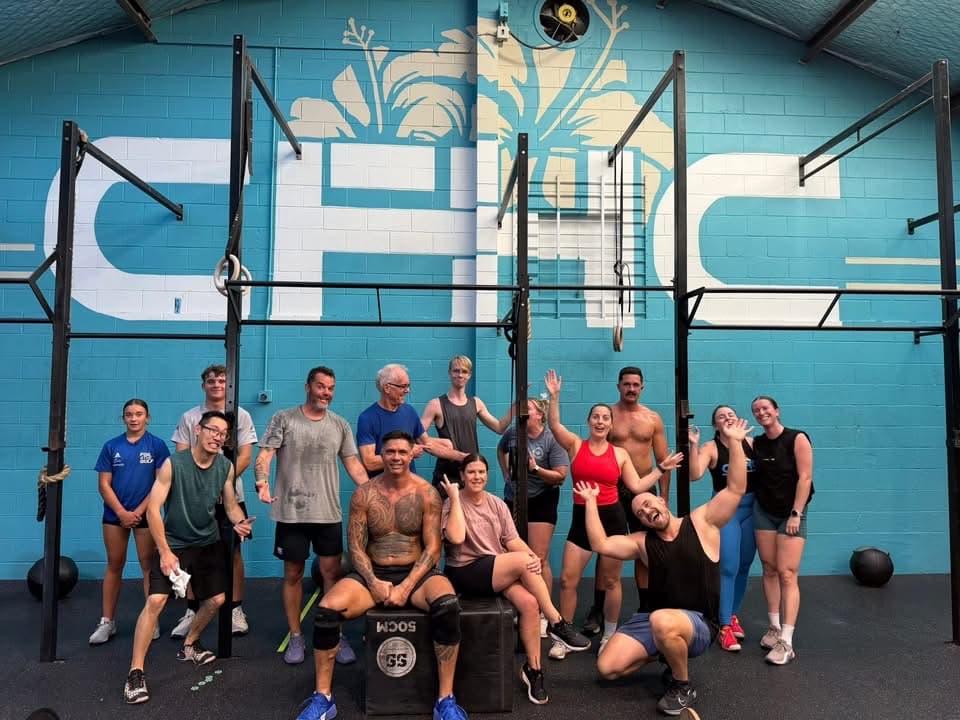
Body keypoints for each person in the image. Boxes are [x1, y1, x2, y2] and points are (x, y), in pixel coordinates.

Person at [579, 418, 751, 716]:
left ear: (662, 500)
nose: (646, 511)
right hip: (655, 620)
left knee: (662, 621)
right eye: (641, 512)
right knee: (607, 667)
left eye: (648, 503)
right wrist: (591, 502)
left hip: (697, 623)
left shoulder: (701, 523)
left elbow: (735, 489)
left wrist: (734, 443)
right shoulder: (642, 542)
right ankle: (667, 651)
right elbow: (601, 545)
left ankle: (681, 683)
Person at [293, 430, 469, 720]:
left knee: (448, 606)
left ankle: (445, 700)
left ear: (413, 453)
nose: (396, 457)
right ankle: (323, 698)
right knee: (326, 612)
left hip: (417, 573)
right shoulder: (364, 494)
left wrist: (406, 586)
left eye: (402, 451)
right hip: (372, 573)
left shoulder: (427, 493)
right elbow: (356, 546)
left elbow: (434, 549)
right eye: (390, 452)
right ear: (381, 454)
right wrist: (374, 582)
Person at [543, 369, 683, 659]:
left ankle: (609, 634)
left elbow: (637, 485)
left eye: (605, 418)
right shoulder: (575, 445)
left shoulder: (620, 455)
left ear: (610, 424)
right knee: (568, 580)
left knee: (611, 581)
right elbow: (554, 424)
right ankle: (565, 634)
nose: (600, 421)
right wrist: (555, 396)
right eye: (596, 417)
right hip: (582, 520)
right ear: (589, 421)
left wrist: (661, 469)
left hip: (612, 519)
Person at [123, 410, 254, 705]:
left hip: (206, 541)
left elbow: (231, 504)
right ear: (198, 430)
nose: (217, 437)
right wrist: (166, 552)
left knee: (217, 601)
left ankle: (190, 644)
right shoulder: (173, 464)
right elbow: (153, 509)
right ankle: (135, 672)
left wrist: (238, 521)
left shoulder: (225, 467)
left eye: (223, 434)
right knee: (156, 601)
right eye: (212, 430)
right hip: (175, 543)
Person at [441, 454, 590, 705]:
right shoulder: (451, 503)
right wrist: (455, 498)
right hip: (464, 571)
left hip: (494, 569)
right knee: (521, 561)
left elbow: (511, 541)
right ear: (463, 476)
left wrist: (532, 557)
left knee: (530, 603)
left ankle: (534, 669)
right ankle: (556, 621)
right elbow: (455, 539)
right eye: (471, 472)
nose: (477, 477)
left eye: (481, 472)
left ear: (487, 475)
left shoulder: (497, 504)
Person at [254, 366, 369, 666]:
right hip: (291, 513)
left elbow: (354, 464)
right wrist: (261, 481)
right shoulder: (284, 419)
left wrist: (374, 492)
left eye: (330, 387)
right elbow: (264, 455)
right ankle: (296, 635)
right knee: (293, 574)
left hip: (327, 512)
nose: (326, 393)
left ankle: (335, 633)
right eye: (320, 387)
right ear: (308, 387)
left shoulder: (340, 425)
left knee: (332, 575)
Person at [582, 366, 672, 638]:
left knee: (646, 545)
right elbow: (596, 451)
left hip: (645, 489)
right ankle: (598, 609)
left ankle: (645, 608)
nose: (631, 389)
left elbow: (663, 460)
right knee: (608, 547)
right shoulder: (609, 416)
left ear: (642, 387)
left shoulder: (653, 418)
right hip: (614, 488)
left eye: (636, 384)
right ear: (618, 386)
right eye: (626, 384)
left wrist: (663, 498)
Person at [170, 364, 258, 637]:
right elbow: (182, 456)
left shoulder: (240, 415)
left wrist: (222, 482)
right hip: (195, 499)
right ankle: (192, 609)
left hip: (232, 493)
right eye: (212, 381)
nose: (217, 385)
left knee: (233, 552)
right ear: (203, 385)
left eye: (222, 381)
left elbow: (244, 456)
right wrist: (204, 485)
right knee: (192, 553)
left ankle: (234, 608)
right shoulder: (189, 417)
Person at [89, 399, 170, 645]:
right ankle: (107, 621)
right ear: (123, 418)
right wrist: (122, 513)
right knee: (115, 564)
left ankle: (151, 620)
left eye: (139, 414)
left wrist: (138, 511)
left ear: (148, 417)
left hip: (146, 516)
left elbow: (160, 484)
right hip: (115, 516)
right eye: (128, 414)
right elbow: (104, 484)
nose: (133, 418)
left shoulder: (157, 446)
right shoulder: (111, 446)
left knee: (148, 566)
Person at [687, 405, 757, 652]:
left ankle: (732, 614)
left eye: (730, 414)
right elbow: (694, 474)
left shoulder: (751, 442)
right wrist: (693, 444)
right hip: (728, 511)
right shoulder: (711, 447)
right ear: (715, 425)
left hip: (752, 510)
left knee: (745, 565)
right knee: (728, 567)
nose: (727, 417)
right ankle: (724, 626)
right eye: (720, 417)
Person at [750, 395, 813, 666]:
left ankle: (787, 640)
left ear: (777, 411)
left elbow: (805, 477)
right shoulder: (757, 444)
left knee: (787, 574)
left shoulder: (797, 438)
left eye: (766, 408)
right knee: (769, 568)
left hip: (791, 514)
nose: (761, 412)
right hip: (764, 511)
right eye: (756, 410)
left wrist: (796, 512)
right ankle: (774, 628)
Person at [497, 397, 568, 636]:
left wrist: (535, 468)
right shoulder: (513, 433)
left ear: (540, 415)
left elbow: (560, 477)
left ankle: (542, 615)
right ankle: (522, 609)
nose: (523, 413)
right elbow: (500, 449)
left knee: (538, 558)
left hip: (542, 499)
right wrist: (507, 474)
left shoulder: (551, 440)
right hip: (515, 497)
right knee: (513, 556)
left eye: (528, 409)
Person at [420, 355, 513, 495]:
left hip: (471, 475)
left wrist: (515, 407)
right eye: (456, 371)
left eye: (464, 371)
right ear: (450, 373)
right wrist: (443, 445)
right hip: (446, 477)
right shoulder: (435, 404)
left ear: (469, 375)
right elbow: (417, 436)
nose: (460, 375)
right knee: (445, 516)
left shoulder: (476, 403)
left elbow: (499, 427)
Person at [356, 363, 460, 478]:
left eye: (408, 386)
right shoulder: (367, 418)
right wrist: (408, 453)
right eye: (403, 386)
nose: (407, 390)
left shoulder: (409, 411)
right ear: (387, 388)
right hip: (382, 490)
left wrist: (462, 457)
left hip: (409, 489)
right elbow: (370, 463)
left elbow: (427, 443)